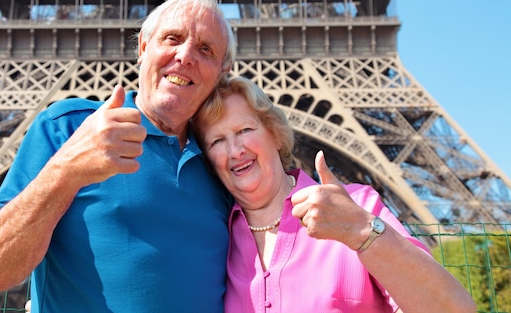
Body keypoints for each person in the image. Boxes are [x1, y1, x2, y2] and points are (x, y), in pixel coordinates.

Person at [0, 0, 237, 313]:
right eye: (172, 38)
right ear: (143, 46)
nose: (185, 56)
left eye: (206, 49)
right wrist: (67, 170)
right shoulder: (68, 127)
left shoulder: (226, 157)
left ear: (223, 71)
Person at [191, 75, 476, 313]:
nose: (235, 150)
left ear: (274, 135)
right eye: (217, 141)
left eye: (244, 130)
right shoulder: (215, 238)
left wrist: (361, 231)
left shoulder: (356, 206)